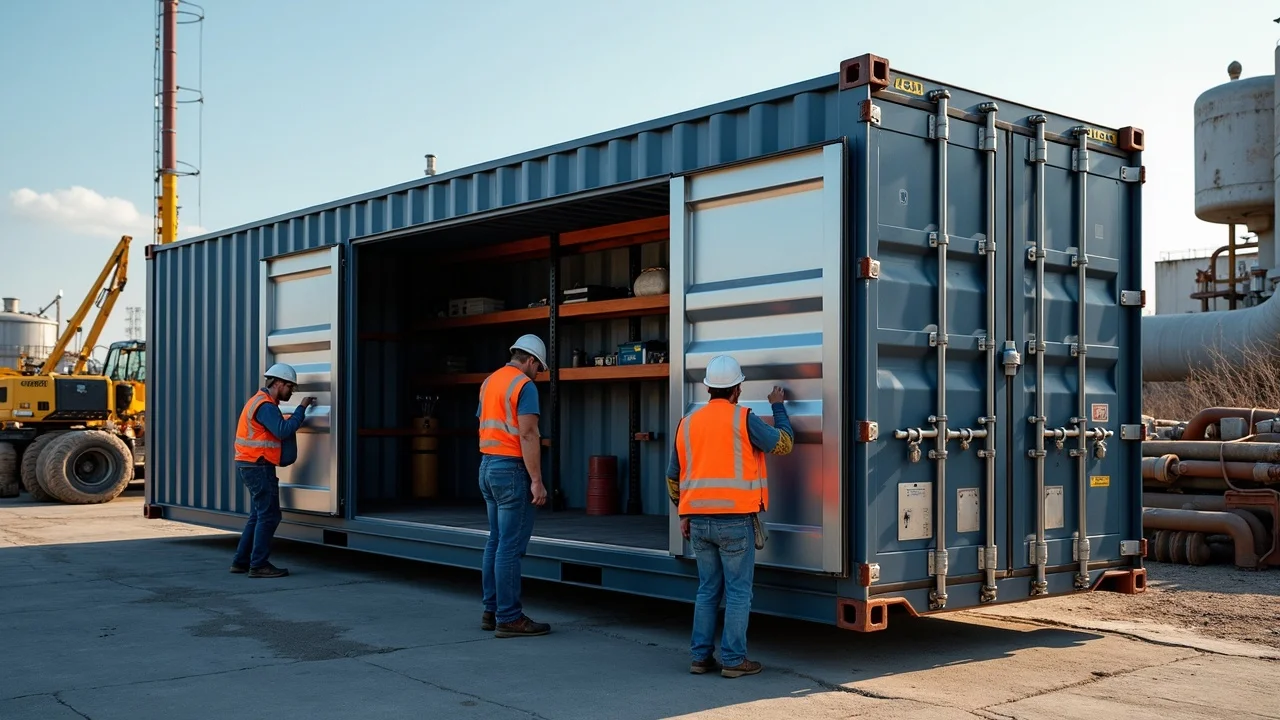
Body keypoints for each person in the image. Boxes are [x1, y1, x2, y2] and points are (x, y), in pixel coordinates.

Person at [666, 354, 793, 678]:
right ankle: (734, 660)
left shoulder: (687, 423)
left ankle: (700, 658)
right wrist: (778, 407)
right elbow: (783, 445)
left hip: (698, 523)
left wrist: (683, 512)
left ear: (708, 388)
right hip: (735, 521)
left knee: (708, 590)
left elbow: (672, 477)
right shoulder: (743, 419)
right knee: (738, 592)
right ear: (737, 389)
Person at [476, 334, 551, 638]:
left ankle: (491, 610)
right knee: (509, 546)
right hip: (511, 471)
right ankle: (509, 617)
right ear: (531, 360)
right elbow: (528, 434)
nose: (538, 374)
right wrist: (537, 481)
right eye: (539, 368)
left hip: (487, 466)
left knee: (496, 540)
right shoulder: (524, 385)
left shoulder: (489, 382)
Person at [229, 363, 315, 579]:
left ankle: (241, 562)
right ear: (278, 383)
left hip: (251, 464)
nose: (291, 391)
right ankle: (258, 565)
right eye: (290, 387)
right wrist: (301, 409)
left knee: (258, 515)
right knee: (269, 516)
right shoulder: (265, 406)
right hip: (258, 466)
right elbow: (283, 431)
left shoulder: (260, 402)